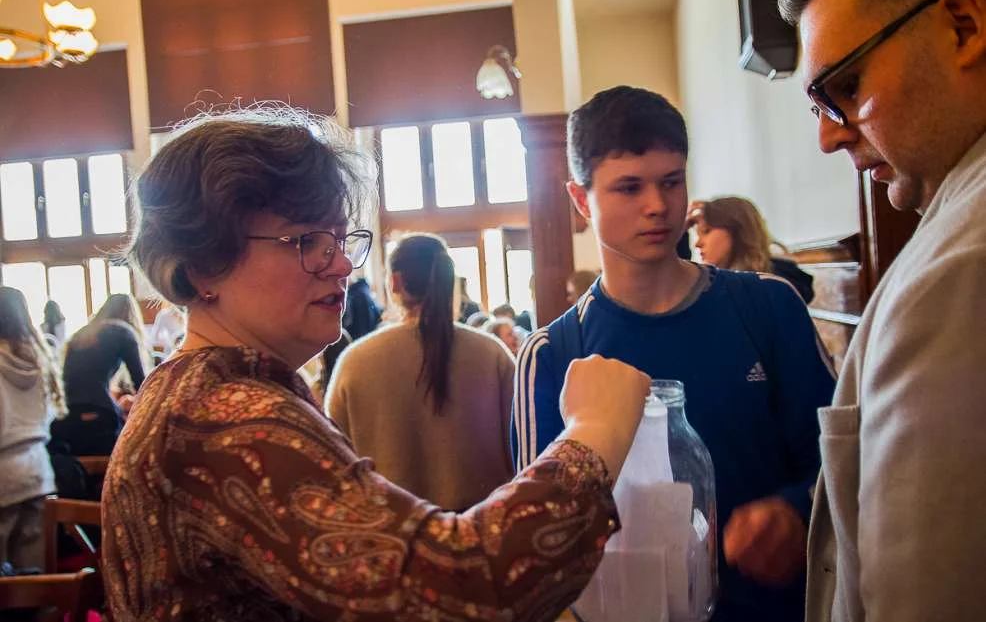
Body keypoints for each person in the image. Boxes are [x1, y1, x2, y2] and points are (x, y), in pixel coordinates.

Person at [101, 107, 654, 620]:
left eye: (342, 239)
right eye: (308, 240)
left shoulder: (212, 392)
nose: (341, 263)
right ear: (203, 265)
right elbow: (463, 588)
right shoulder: (221, 415)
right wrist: (593, 433)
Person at [512, 86, 837, 622]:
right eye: (629, 187)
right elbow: (536, 538)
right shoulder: (552, 354)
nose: (657, 206)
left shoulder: (766, 307)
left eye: (671, 182)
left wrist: (795, 511)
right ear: (580, 199)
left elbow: (838, 457)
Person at [778, 0, 986, 620]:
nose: (828, 134)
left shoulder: (955, 270)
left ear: (963, 26)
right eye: (820, 105)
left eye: (847, 86)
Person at [328, 234, 515, 512]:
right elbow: (523, 449)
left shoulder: (354, 362)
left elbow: (334, 466)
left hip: (393, 539)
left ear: (395, 282)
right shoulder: (493, 354)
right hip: (486, 534)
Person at [0, 287, 67, 571]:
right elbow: (50, 413)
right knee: (34, 570)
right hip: (39, 468)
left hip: (3, 470)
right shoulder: (40, 359)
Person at [51, 294, 148, 456]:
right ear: (131, 314)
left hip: (64, 420)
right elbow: (142, 384)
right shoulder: (123, 331)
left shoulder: (80, 334)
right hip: (99, 418)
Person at [690, 196, 816, 303]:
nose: (697, 243)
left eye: (706, 231)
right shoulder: (721, 284)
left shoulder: (774, 287)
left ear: (737, 231)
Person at [341, 273, 381, 340]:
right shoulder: (365, 291)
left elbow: (348, 322)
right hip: (370, 335)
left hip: (358, 338)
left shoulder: (354, 296)